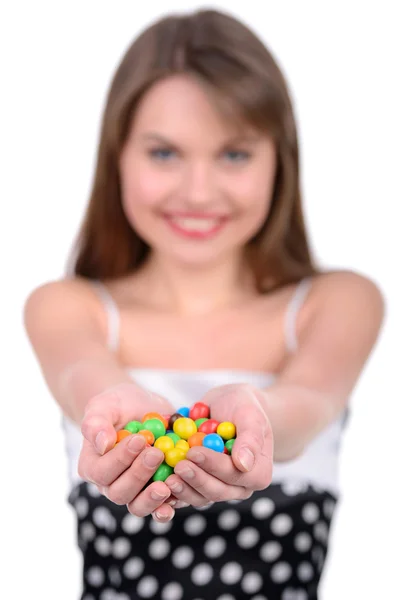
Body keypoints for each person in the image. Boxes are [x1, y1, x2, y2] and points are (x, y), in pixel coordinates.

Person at [24, 8, 384, 600]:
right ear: (118, 156)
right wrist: (110, 415)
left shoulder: (338, 302)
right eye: (164, 154)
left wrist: (259, 419)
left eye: (235, 154)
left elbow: (308, 401)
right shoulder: (66, 307)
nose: (198, 191)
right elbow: (85, 375)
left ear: (280, 161)